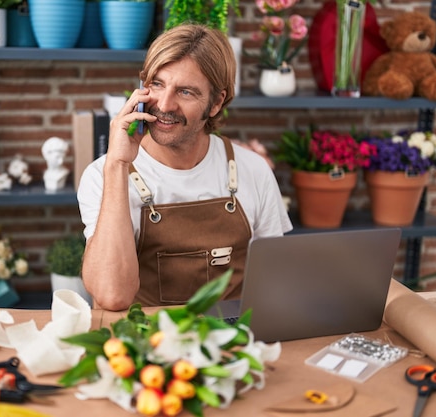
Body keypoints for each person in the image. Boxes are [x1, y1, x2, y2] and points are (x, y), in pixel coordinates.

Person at [77, 24, 292, 311]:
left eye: (186, 92)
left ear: (215, 103)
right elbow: (112, 295)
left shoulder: (253, 170)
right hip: (143, 346)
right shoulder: (102, 175)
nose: (164, 104)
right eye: (157, 84)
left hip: (231, 343)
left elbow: (274, 281)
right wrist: (117, 164)